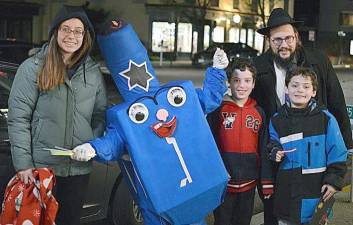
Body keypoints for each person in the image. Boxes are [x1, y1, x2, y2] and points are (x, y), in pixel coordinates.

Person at [71, 20, 229, 225]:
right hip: (158, 198)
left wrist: (217, 70)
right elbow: (113, 142)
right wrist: (92, 148)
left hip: (189, 193)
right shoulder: (129, 117)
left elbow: (207, 99)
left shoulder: (174, 98)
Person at [252, 8, 353, 225]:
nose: (284, 44)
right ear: (269, 41)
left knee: (313, 213)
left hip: (313, 153)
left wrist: (345, 151)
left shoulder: (318, 60)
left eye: (288, 38)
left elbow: (337, 102)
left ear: (296, 37)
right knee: (276, 213)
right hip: (278, 156)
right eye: (277, 40)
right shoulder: (258, 67)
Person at [7, 5, 107, 225]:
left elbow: (100, 115)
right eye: (65, 29)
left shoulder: (92, 72)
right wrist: (24, 164)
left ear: (85, 36)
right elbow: (18, 118)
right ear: (56, 32)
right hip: (42, 169)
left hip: (78, 169)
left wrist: (92, 145)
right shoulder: (33, 68)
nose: (71, 35)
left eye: (78, 31)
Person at [268, 67, 347, 225]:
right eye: (295, 85)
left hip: (316, 196)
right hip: (287, 196)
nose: (300, 90)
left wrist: (333, 181)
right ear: (286, 88)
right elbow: (272, 144)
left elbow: (338, 153)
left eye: (306, 86)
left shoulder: (326, 119)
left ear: (314, 92)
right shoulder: (277, 120)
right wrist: (274, 151)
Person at [207, 59, 273, 225]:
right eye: (236, 80)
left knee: (243, 221)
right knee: (222, 221)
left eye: (247, 80)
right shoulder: (218, 109)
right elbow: (209, 145)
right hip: (224, 183)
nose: (241, 85)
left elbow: (264, 148)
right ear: (229, 82)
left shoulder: (259, 113)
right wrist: (215, 173)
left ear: (253, 84)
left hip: (249, 183)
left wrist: (266, 181)